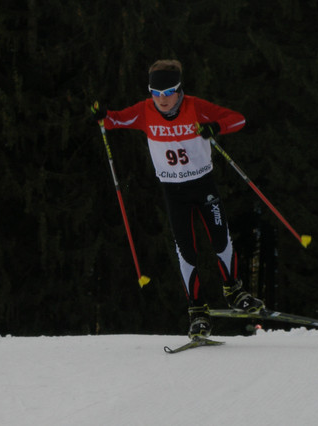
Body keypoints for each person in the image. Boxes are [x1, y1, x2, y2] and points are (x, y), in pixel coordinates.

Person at [91, 59, 264, 339]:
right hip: (174, 192)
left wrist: (215, 127)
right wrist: (101, 114)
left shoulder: (196, 107)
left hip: (203, 185)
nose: (162, 99)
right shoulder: (145, 111)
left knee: (221, 238)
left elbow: (238, 119)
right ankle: (197, 312)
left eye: (168, 92)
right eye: (155, 93)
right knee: (186, 250)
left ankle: (234, 291)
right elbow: (114, 120)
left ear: (179, 89)